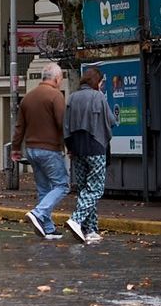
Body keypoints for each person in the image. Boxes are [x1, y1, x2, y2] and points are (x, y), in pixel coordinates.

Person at [11, 62, 68, 240]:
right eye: (60, 79)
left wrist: (15, 148)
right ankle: (38, 213)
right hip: (49, 149)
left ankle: (48, 228)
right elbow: (62, 124)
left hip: (31, 150)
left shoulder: (28, 97)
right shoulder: (55, 96)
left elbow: (19, 126)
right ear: (57, 79)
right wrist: (69, 146)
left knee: (44, 188)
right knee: (62, 185)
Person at [63, 67, 117, 244]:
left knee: (84, 189)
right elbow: (111, 120)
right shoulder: (98, 96)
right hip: (95, 147)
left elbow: (66, 127)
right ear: (97, 82)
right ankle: (76, 220)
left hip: (76, 149)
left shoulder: (72, 97)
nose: (101, 86)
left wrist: (70, 147)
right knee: (95, 189)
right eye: (101, 83)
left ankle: (91, 230)